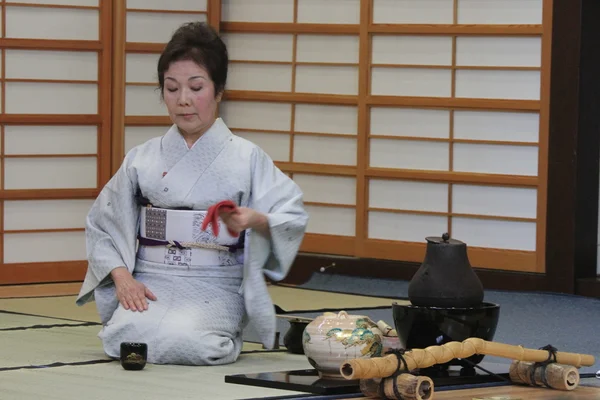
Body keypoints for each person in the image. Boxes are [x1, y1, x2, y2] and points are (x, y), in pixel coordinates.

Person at [75, 21, 309, 366]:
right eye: (171, 88)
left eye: (196, 87)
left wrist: (255, 219)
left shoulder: (246, 157)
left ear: (218, 91)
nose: (183, 100)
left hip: (215, 285)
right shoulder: (142, 158)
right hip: (152, 280)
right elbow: (102, 224)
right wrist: (123, 279)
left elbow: (291, 216)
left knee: (194, 344)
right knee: (124, 338)